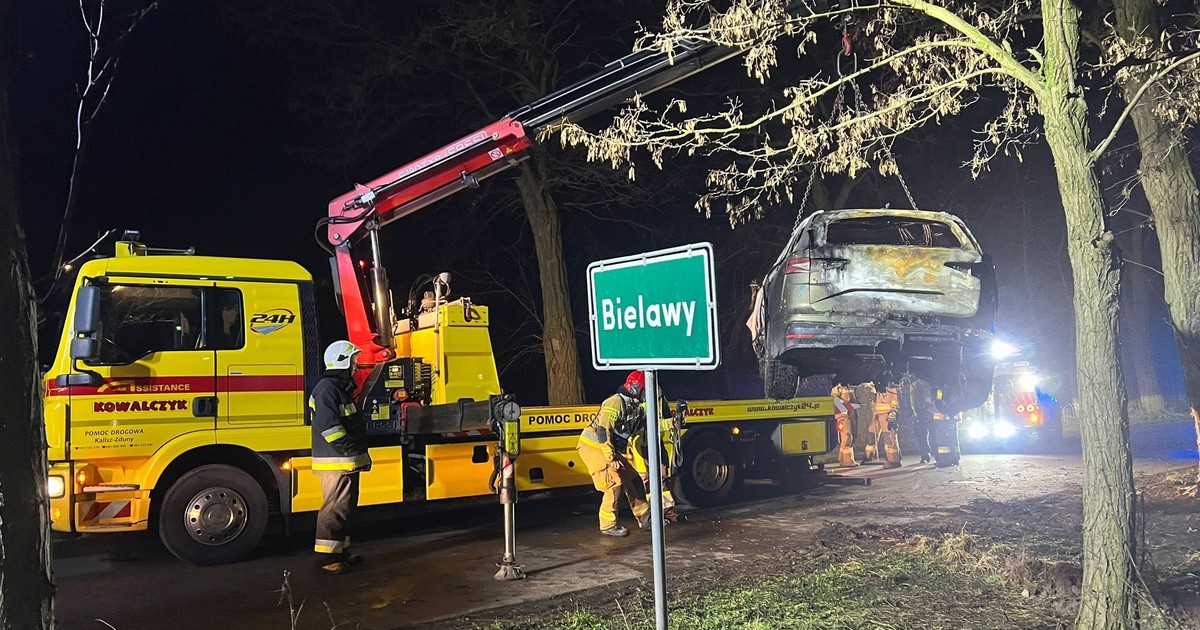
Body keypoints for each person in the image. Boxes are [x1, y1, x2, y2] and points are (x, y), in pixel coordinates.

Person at [309, 340, 372, 575]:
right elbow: (330, 428)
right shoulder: (328, 388)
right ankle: (326, 559)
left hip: (344, 461)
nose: (356, 365)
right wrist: (349, 449)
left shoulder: (337, 387)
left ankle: (341, 553)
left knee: (345, 509)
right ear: (342, 361)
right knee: (334, 509)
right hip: (337, 461)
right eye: (353, 360)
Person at [577, 370, 652, 537]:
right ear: (636, 388)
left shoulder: (635, 408)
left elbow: (641, 433)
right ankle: (608, 525)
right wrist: (611, 459)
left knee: (634, 480)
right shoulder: (615, 402)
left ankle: (646, 519)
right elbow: (603, 431)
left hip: (608, 448)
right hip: (593, 446)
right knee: (614, 483)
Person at [626, 391, 682, 523]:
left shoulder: (658, 393)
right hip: (640, 444)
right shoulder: (636, 396)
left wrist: (672, 422)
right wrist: (668, 424)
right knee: (643, 480)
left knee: (662, 476)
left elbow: (662, 416)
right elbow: (646, 424)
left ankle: (666, 511)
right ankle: (647, 516)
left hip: (656, 442)